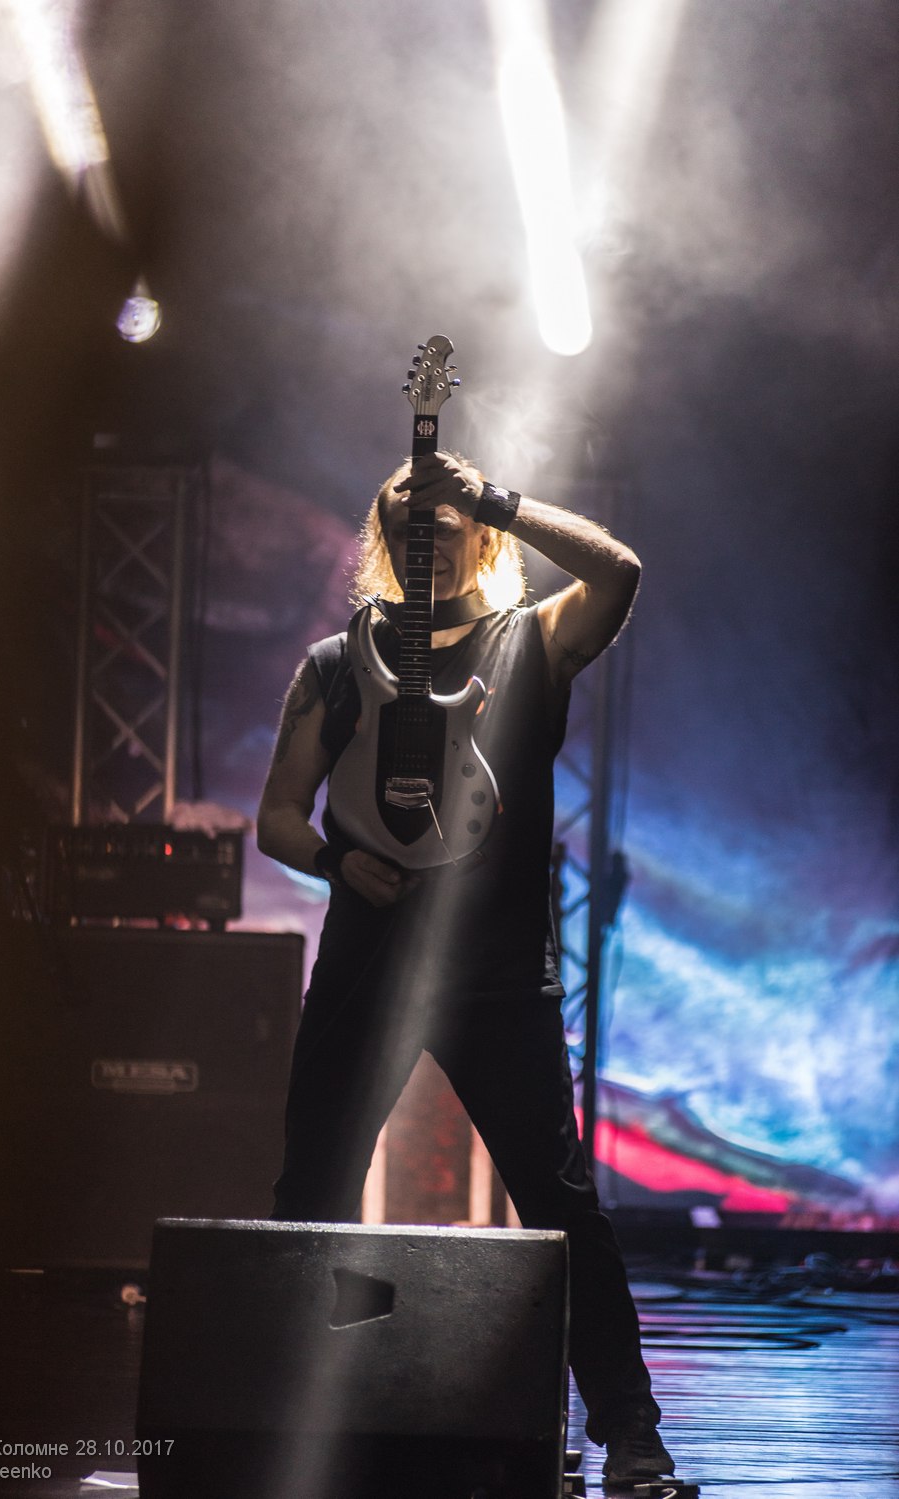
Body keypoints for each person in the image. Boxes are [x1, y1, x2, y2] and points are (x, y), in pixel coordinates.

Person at [256, 449, 677, 1483]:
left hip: (494, 968)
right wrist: (334, 860)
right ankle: (285, 1418)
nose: (421, 530)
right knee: (311, 1183)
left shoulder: (529, 640)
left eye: (442, 518)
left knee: (558, 1197)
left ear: (479, 534)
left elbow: (618, 570)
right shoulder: (332, 663)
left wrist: (492, 494)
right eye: (401, 517)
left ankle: (629, 1427)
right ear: (379, 538)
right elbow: (277, 816)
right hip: (366, 960)